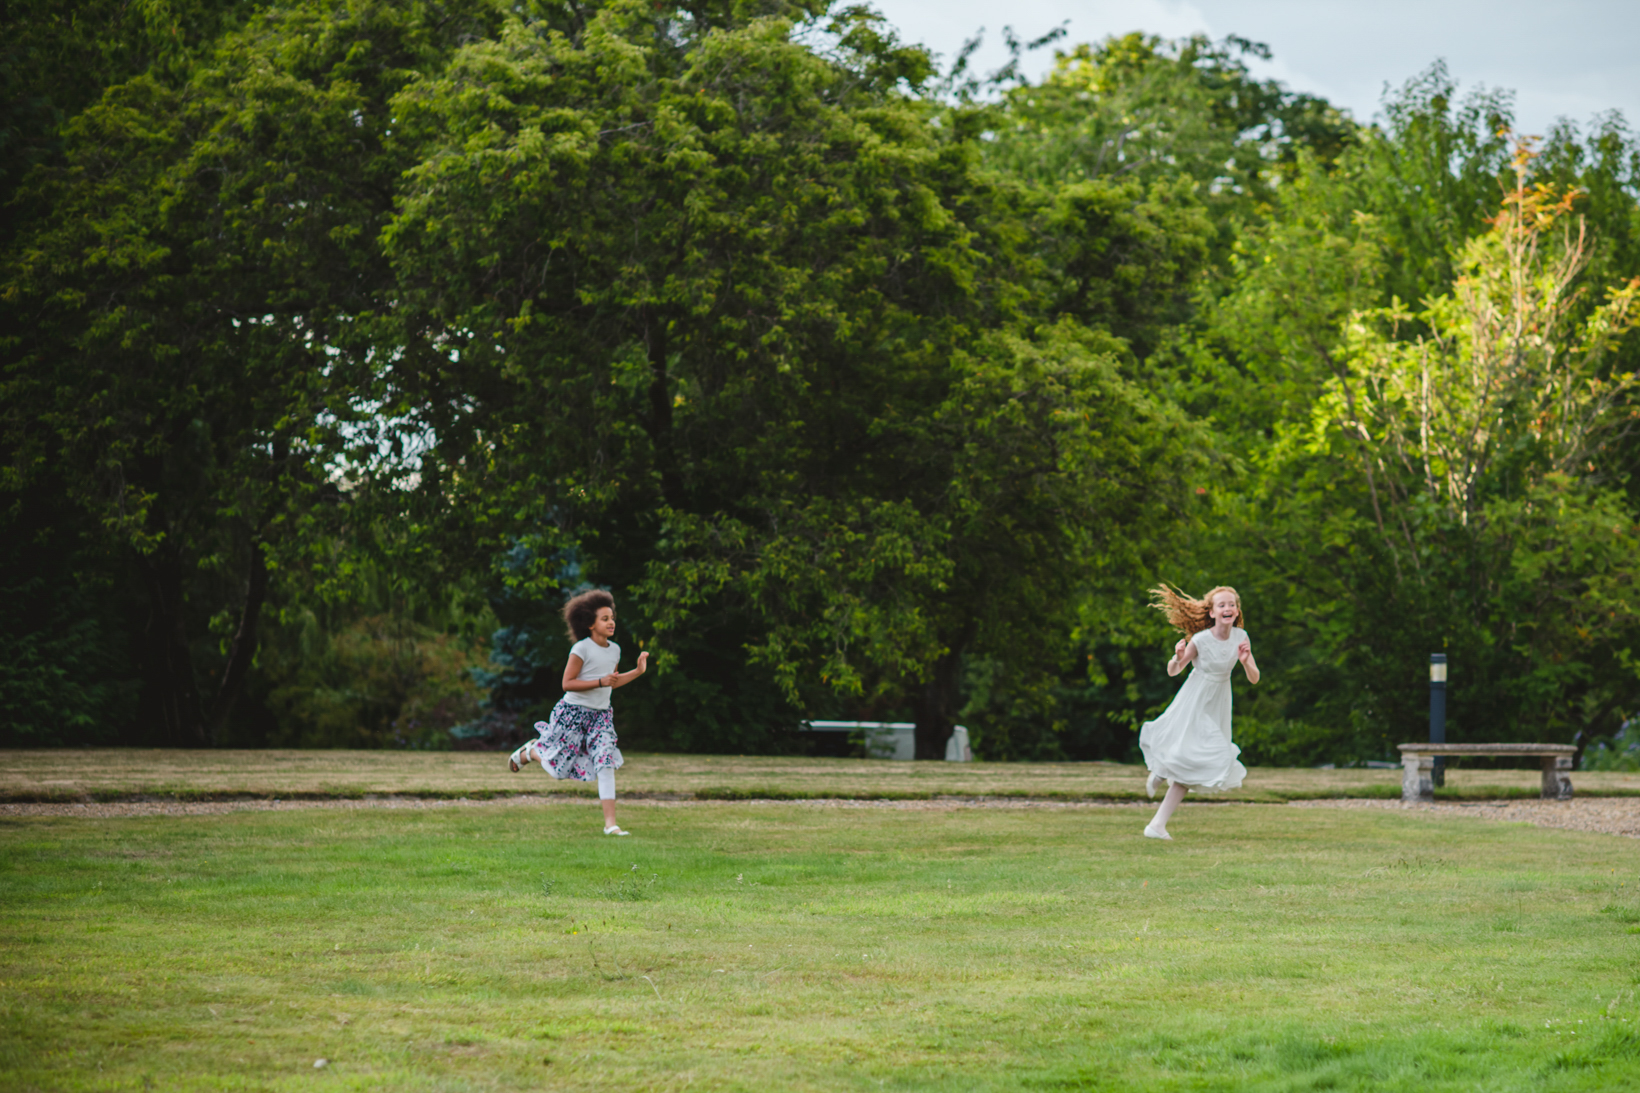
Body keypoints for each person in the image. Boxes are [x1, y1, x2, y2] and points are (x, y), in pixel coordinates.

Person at [508, 589, 648, 836]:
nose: (611, 622)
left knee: (605, 763)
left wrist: (636, 672)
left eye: (612, 617)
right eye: (605, 618)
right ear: (590, 624)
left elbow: (611, 681)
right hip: (572, 714)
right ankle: (531, 751)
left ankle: (610, 825)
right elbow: (567, 683)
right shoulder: (580, 649)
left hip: (601, 716)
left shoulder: (614, 650)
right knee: (558, 771)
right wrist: (600, 682)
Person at [1138, 584, 1259, 841]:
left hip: (1219, 701)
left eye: (1232, 604)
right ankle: (1160, 788)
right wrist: (1177, 656)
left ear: (1237, 610)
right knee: (1198, 755)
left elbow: (1255, 678)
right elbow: (1174, 670)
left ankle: (1157, 821)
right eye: (1222, 605)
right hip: (1195, 699)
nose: (1228, 608)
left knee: (1195, 761)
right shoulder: (1201, 639)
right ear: (1212, 612)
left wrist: (1247, 662)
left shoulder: (1241, 636)